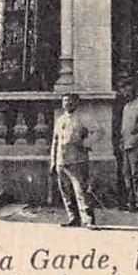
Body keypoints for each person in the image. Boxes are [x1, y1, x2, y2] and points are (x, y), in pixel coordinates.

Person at [50, 94, 95, 229]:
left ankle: (88, 220)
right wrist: (53, 160)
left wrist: (86, 143)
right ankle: (73, 218)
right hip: (61, 160)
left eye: (71, 101)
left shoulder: (84, 118)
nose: (67, 103)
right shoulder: (59, 120)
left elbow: (98, 131)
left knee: (81, 191)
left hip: (77, 160)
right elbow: (55, 141)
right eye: (65, 101)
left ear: (77, 103)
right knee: (66, 191)